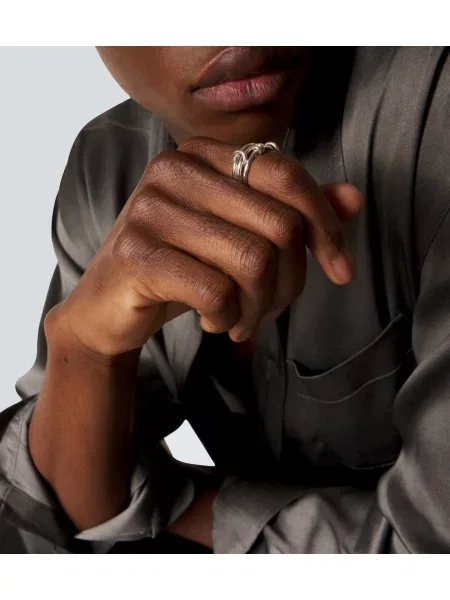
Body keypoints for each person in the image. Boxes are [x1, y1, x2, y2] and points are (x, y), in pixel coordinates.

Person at [0, 46, 449, 554]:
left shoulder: (432, 108)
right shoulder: (105, 164)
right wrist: (83, 349)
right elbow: (48, 522)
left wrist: (185, 510)